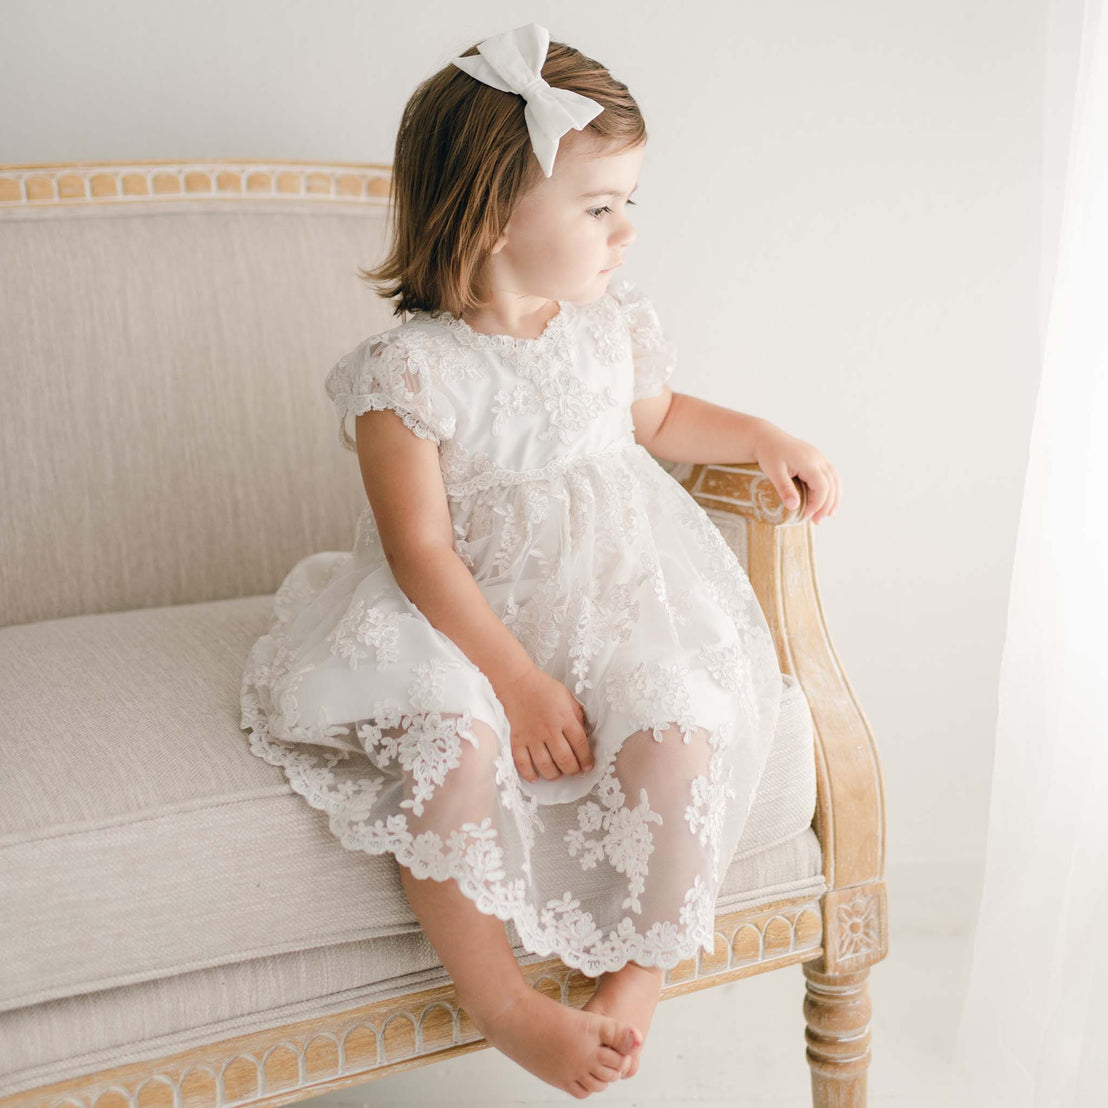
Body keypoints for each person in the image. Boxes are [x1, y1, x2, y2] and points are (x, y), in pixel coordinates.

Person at [239, 22, 840, 1100]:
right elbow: (419, 552)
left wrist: (764, 435)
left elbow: (656, 417)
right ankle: (507, 1005)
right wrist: (514, 684)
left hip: (610, 600)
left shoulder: (606, 328)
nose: (624, 234)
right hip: (467, 621)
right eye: (598, 206)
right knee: (449, 741)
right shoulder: (405, 373)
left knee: (679, 718)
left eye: (629, 204)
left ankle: (632, 981)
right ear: (491, 209)